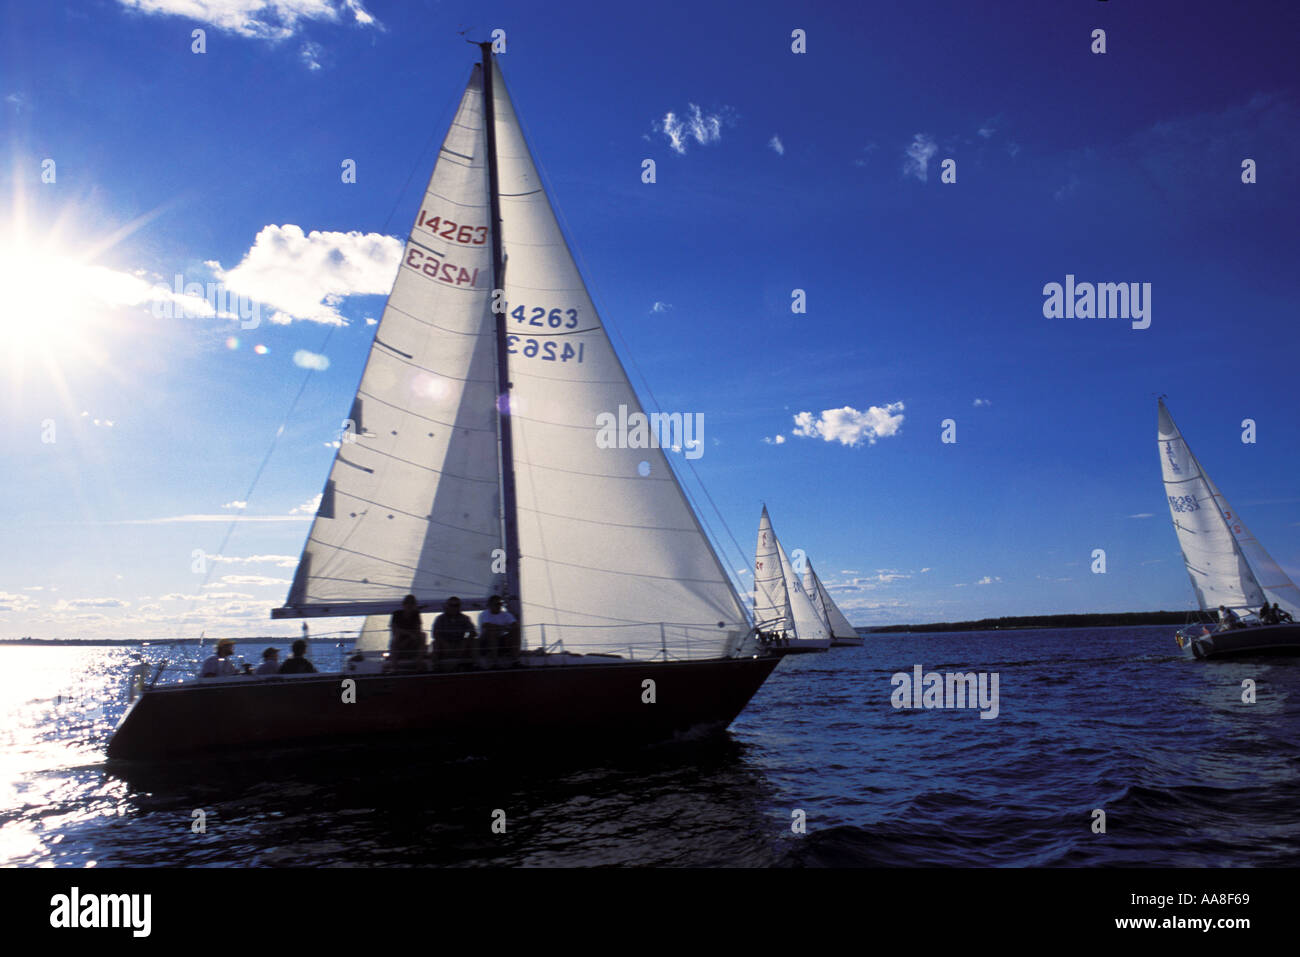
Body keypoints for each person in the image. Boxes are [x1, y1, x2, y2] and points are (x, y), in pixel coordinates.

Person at [432, 597, 477, 669]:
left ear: (459, 607)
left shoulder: (465, 618)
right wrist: (444, 643)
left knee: (474, 642)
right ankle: (436, 668)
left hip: (459, 643)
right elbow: (435, 634)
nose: (454, 607)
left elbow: (473, 632)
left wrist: (465, 642)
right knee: (435, 643)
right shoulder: (440, 618)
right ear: (447, 606)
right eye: (451, 605)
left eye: (456, 605)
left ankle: (475, 666)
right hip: (445, 645)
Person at [479, 595, 518, 666]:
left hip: (500, 640)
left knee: (516, 631)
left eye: (500, 604)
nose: (498, 606)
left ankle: (515, 659)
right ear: (490, 605)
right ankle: (495, 661)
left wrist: (510, 628)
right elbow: (486, 625)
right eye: (496, 604)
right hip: (485, 642)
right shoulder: (484, 614)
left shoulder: (506, 615)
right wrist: (504, 627)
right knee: (492, 631)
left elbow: (515, 625)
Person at [389, 594, 426, 667]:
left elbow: (418, 629)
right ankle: (394, 666)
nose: (409, 605)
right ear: (403, 604)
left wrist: (409, 637)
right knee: (396, 638)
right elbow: (395, 630)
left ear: (414, 605)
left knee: (423, 635)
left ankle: (418, 664)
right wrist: (409, 634)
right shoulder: (396, 614)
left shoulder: (416, 614)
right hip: (400, 641)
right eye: (407, 603)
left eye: (412, 603)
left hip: (412, 640)